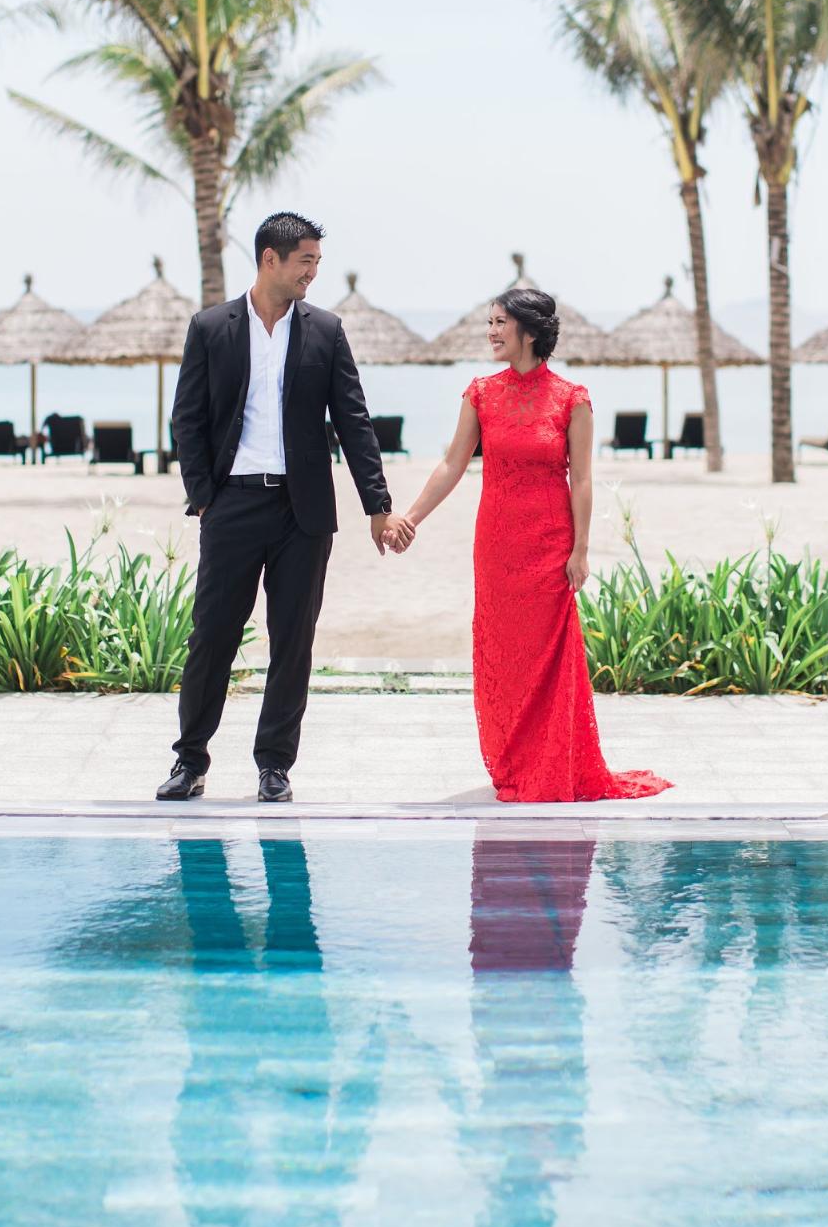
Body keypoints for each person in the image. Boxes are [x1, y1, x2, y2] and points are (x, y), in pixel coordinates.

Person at [160, 212, 411, 804]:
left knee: (291, 642)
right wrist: (204, 496)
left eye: (318, 262)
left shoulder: (326, 330)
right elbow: (186, 419)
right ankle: (189, 760)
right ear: (270, 258)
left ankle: (274, 765)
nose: (313, 273)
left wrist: (378, 503)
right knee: (212, 638)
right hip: (232, 506)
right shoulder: (210, 327)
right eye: (306, 261)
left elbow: (354, 421)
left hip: (304, 514)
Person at [393, 287, 671, 804]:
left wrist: (581, 550)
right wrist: (411, 517)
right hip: (497, 546)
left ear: (530, 329)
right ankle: (512, 761)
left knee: (548, 659)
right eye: (490, 322)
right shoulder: (479, 393)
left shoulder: (572, 399)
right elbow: (453, 464)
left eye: (500, 322)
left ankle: (549, 762)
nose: (492, 332)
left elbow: (582, 481)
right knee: (502, 657)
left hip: (550, 546)